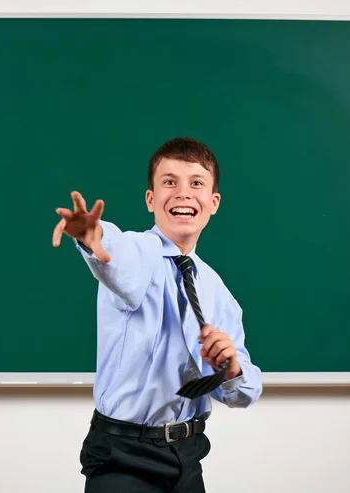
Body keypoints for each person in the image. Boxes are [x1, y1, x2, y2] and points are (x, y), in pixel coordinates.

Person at [52, 137, 262, 492]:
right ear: (150, 199)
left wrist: (232, 368)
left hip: (187, 456)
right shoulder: (138, 251)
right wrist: (93, 237)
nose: (183, 193)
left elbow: (243, 392)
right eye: (169, 182)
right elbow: (116, 256)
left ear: (213, 203)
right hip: (122, 455)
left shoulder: (215, 290)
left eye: (196, 183)